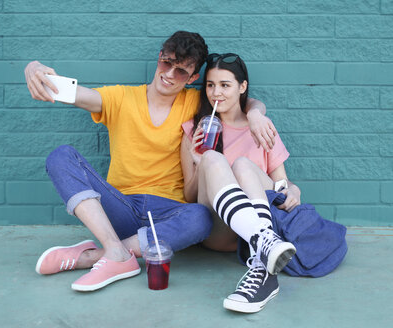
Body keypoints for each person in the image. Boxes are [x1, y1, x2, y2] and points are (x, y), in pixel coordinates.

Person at [24, 31, 277, 292]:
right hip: (121, 205)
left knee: (201, 218)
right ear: (159, 58)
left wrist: (257, 113)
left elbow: (237, 100)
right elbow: (74, 93)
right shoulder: (120, 98)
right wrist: (34, 68)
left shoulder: (193, 101)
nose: (169, 74)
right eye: (166, 63)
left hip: (168, 213)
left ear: (192, 78)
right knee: (61, 156)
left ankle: (99, 255)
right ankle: (115, 251)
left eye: (180, 71)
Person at [181, 53, 301, 313]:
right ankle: (264, 240)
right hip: (218, 230)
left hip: (249, 236)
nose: (216, 93)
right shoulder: (195, 129)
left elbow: (281, 183)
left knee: (244, 164)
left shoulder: (261, 127)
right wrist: (198, 162)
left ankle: (262, 259)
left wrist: (293, 189)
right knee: (212, 157)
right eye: (211, 85)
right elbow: (190, 196)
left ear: (242, 87)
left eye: (225, 85)